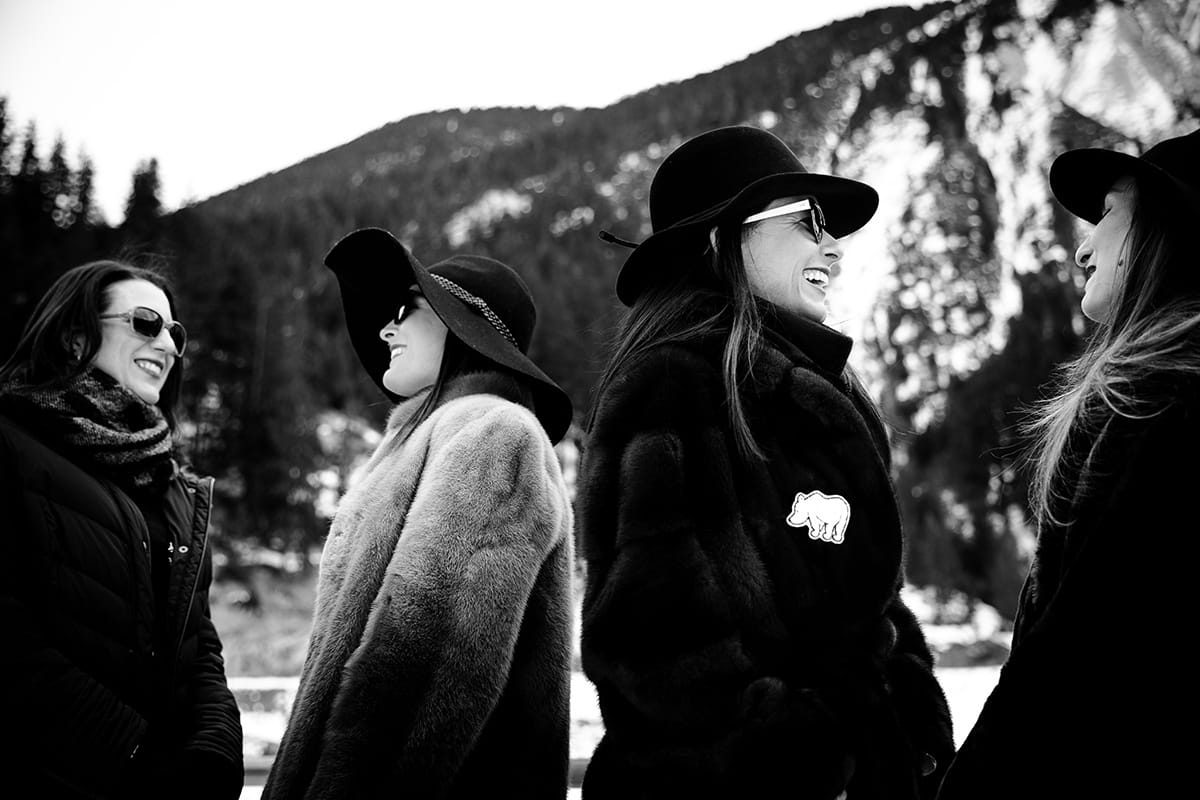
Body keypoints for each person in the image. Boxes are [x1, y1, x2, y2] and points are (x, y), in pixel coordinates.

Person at [578, 124, 954, 799]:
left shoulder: (817, 391)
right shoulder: (670, 387)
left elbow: (872, 604)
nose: (834, 248)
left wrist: (908, 715)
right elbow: (652, 646)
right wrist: (809, 755)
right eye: (810, 223)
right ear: (722, 239)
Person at [261, 229, 576, 800]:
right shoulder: (426, 443)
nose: (386, 326)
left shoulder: (493, 433)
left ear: (466, 329)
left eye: (408, 307)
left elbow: (424, 665)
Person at [936, 128, 1200, 799]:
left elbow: (1072, 665)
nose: (1082, 247)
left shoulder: (1154, 405)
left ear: (1169, 233)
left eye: (1108, 214)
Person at [0, 260, 244, 799]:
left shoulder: (173, 488)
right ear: (75, 335)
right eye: (146, 323)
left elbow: (198, 642)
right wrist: (135, 755)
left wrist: (215, 751)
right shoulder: (11, 445)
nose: (169, 345)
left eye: (175, 332)